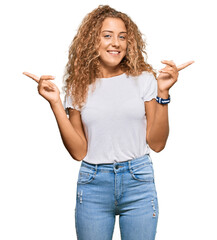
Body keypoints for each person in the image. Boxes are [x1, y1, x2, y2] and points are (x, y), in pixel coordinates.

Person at [23, 5, 194, 240]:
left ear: (129, 42)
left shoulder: (145, 79)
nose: (116, 42)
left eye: (122, 37)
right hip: (93, 183)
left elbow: (156, 143)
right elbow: (78, 151)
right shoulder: (78, 86)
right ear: (92, 40)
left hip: (138, 181)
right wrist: (55, 104)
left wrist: (162, 93)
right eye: (107, 35)